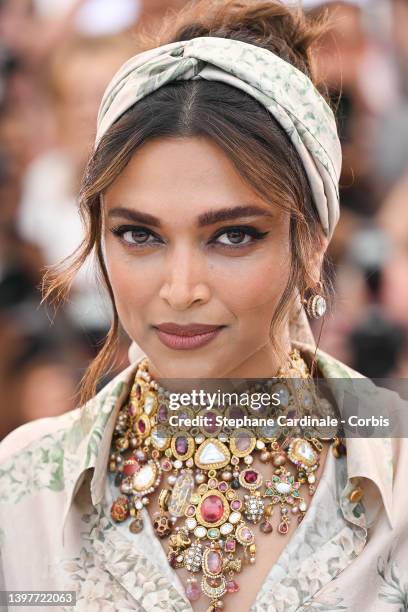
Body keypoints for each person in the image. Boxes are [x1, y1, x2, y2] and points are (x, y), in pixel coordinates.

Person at [0, 1, 407, 611]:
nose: (180, 288)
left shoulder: (397, 478)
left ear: (314, 240)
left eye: (234, 235)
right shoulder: (22, 490)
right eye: (140, 235)